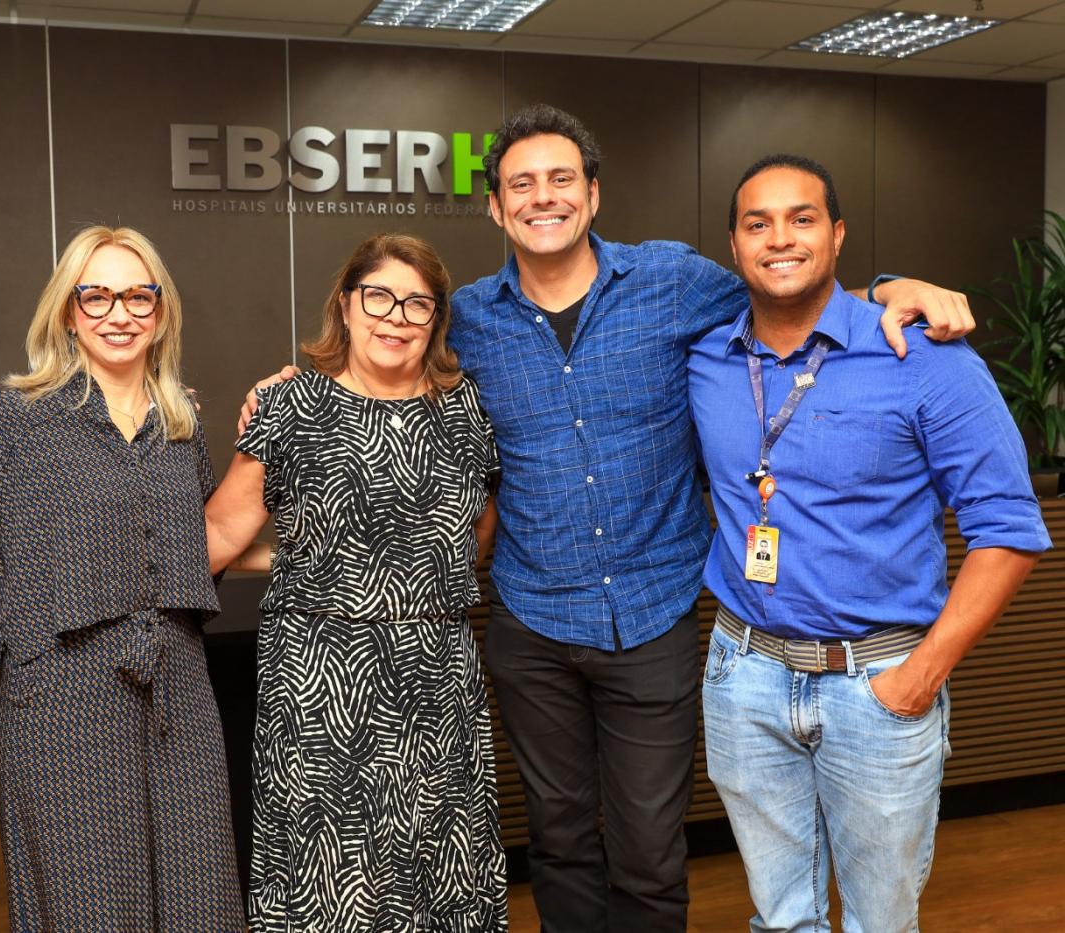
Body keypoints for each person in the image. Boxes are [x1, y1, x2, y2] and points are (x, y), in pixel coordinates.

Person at [241, 104, 975, 933]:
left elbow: (790, 281)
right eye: (521, 183)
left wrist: (890, 287)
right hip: (532, 619)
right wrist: (292, 389)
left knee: (650, 852)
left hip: (654, 614)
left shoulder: (671, 280)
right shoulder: (470, 318)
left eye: (561, 179)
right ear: (495, 206)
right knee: (557, 842)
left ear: (592, 195)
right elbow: (384, 345)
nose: (542, 197)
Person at [689, 154, 1049, 931]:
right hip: (744, 675)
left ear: (839, 234)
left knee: (881, 923)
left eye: (802, 218)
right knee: (781, 919)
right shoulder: (707, 358)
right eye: (758, 223)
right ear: (733, 244)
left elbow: (1009, 532)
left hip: (879, 682)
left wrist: (923, 675)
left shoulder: (924, 359)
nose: (779, 238)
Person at [205, 233, 507, 931]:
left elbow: (477, 532)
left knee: (442, 866)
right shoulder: (291, 407)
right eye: (379, 296)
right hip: (320, 690)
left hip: (437, 684)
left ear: (435, 320)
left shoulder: (466, 413)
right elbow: (221, 532)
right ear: (346, 304)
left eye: (417, 303)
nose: (395, 316)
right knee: (330, 877)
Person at [0, 225, 245, 932]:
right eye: (96, 296)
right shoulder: (17, 420)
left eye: (136, 296)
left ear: (160, 309)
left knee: (199, 900)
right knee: (90, 907)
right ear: (67, 310)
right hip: (63, 697)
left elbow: (197, 543)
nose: (118, 314)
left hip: (179, 687)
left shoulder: (181, 422)